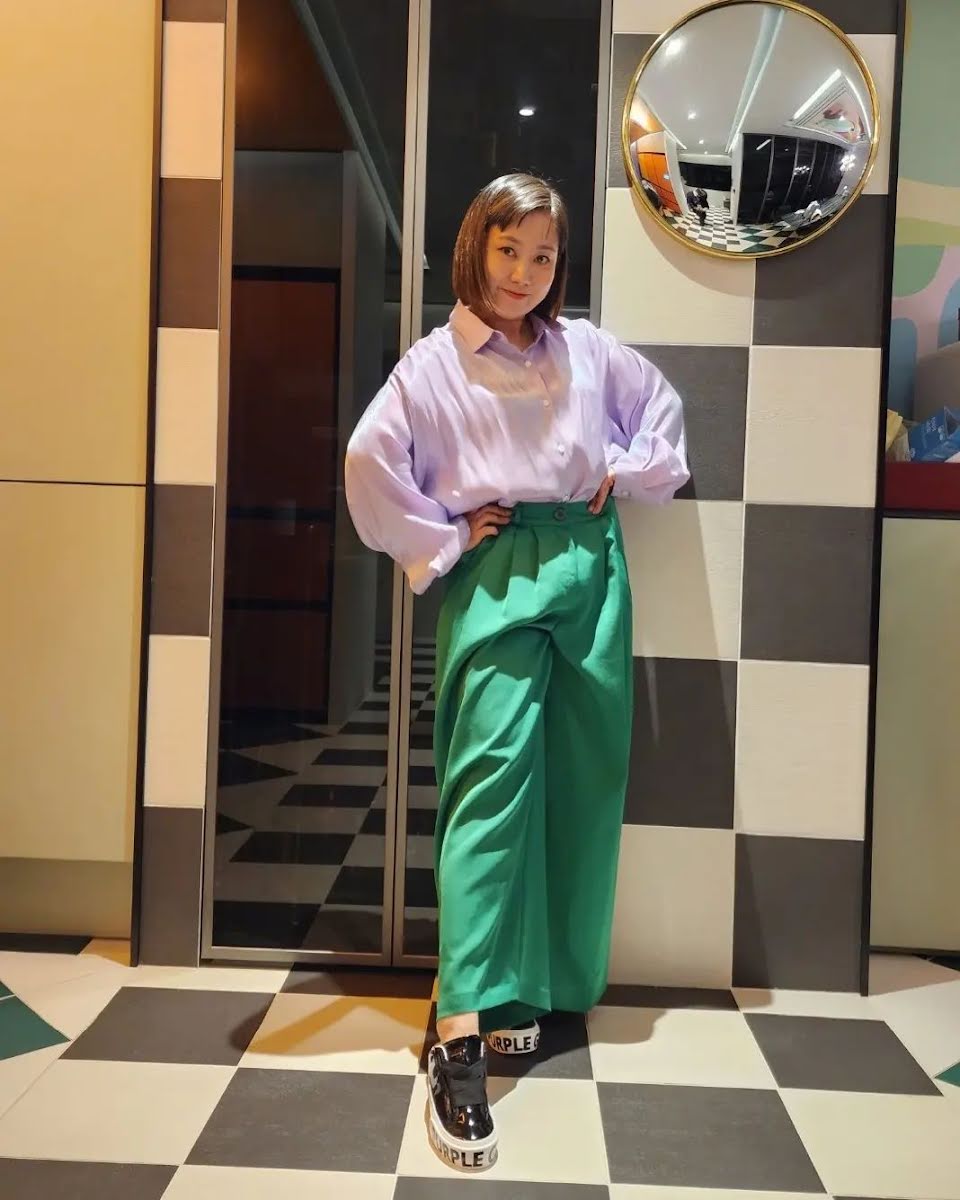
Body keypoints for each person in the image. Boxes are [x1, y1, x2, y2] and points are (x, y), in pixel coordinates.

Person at [344, 173, 689, 1171]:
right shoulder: (432, 365)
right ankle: (457, 1027)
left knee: (578, 782)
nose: (525, 273)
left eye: (543, 256)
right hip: (499, 571)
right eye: (508, 250)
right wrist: (445, 536)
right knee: (488, 789)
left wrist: (630, 468)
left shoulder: (586, 351)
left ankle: (523, 993)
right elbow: (369, 463)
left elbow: (659, 411)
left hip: (591, 563)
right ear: (474, 247)